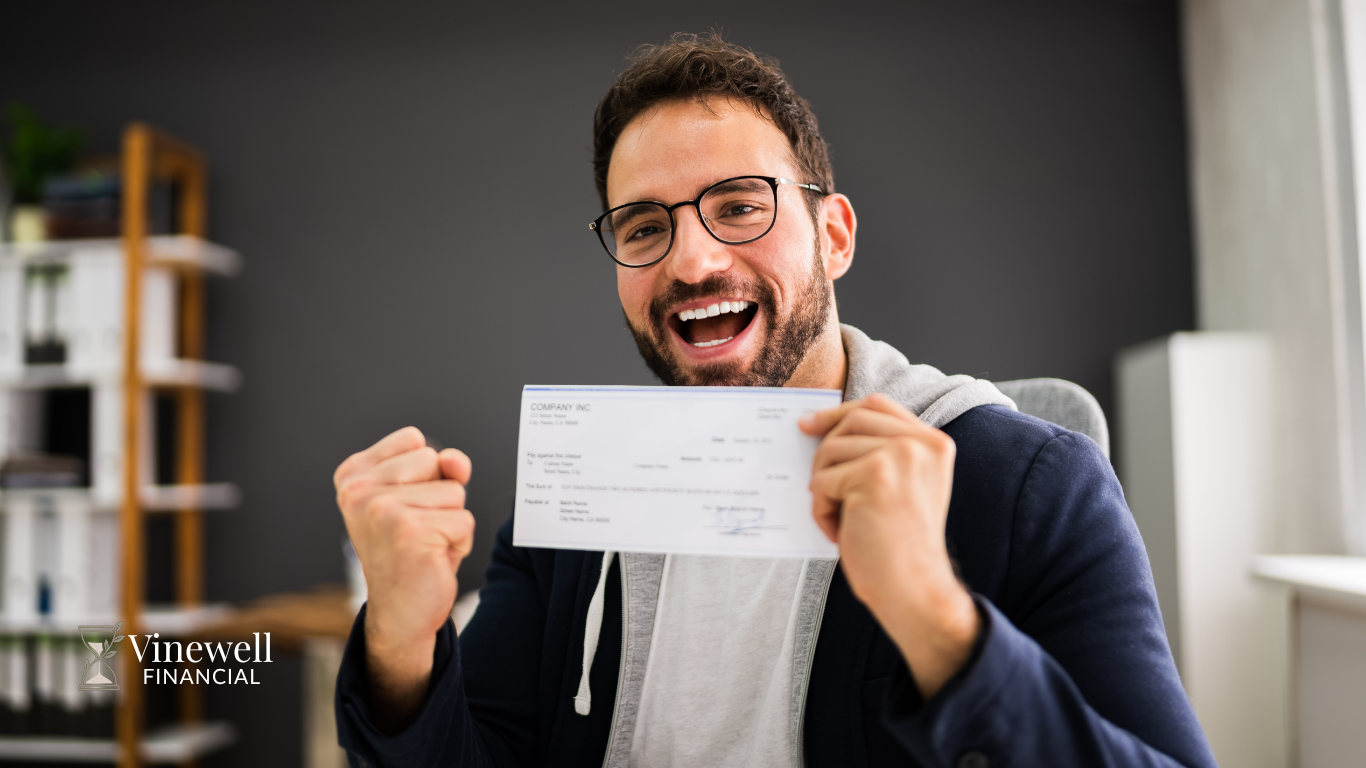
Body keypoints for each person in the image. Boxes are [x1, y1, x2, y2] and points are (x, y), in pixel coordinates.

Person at [333, 33, 1217, 768]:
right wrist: (404, 645)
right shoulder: (571, 511)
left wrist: (940, 624)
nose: (692, 263)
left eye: (740, 206)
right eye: (646, 227)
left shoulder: (1031, 484)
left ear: (833, 237)